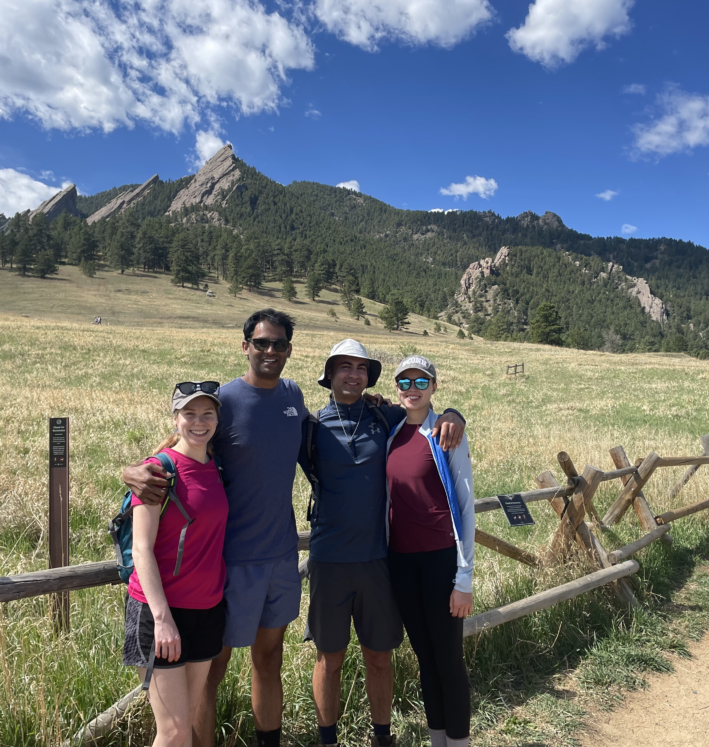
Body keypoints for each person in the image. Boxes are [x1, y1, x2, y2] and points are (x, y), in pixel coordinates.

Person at [122, 313, 464, 747]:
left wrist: (451, 412)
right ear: (245, 345)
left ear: (289, 351)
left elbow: (418, 416)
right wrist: (132, 469)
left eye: (279, 344)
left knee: (273, 658)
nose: (270, 351)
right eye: (261, 343)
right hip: (235, 563)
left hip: (298, 557)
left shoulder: (324, 405)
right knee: (214, 668)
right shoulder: (245, 406)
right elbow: (187, 435)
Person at [302, 340, 466, 747]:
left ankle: (382, 738)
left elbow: (423, 413)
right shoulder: (310, 427)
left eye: (361, 367)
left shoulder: (384, 416)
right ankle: (328, 741)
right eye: (344, 366)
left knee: (380, 655)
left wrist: (454, 414)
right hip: (329, 560)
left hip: (378, 561)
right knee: (330, 658)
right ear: (329, 373)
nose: (353, 374)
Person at [123, 382, 229, 747]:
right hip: (161, 614)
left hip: (207, 609)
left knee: (185, 724)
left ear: (217, 419)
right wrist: (162, 618)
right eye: (189, 414)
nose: (199, 422)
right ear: (175, 418)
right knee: (173, 730)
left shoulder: (217, 465)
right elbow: (141, 550)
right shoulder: (158, 472)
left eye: (207, 414)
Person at [385, 356, 476, 747]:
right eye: (404, 381)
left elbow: (467, 504)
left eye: (421, 381)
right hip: (402, 562)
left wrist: (465, 577)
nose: (412, 388)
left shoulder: (444, 433)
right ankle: (438, 739)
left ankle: (458, 742)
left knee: (449, 661)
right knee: (424, 657)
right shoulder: (391, 432)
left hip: (441, 561)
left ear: (434, 387)